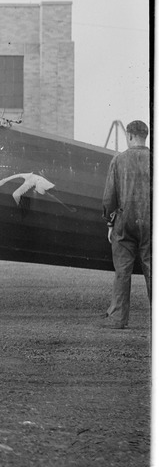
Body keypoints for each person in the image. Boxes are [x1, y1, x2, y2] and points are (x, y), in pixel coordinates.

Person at [100, 119, 151, 330]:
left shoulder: (118, 160)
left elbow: (109, 197)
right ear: (146, 136)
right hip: (151, 222)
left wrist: (109, 223)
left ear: (129, 136)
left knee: (122, 271)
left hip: (124, 222)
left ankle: (119, 318)